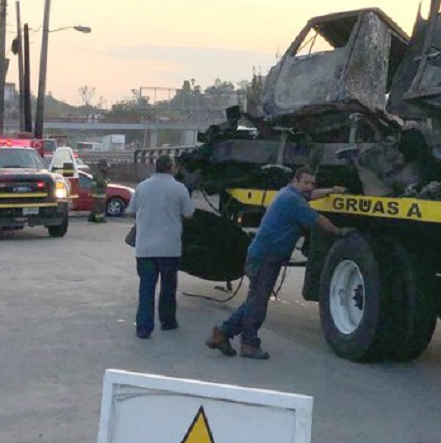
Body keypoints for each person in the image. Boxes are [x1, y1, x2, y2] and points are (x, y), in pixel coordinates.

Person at [206, 167, 349, 359]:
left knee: (254, 299)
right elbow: (318, 219)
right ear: (295, 181)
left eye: (312, 184)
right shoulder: (293, 201)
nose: (309, 187)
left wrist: (330, 190)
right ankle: (249, 344)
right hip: (266, 258)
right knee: (258, 303)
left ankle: (222, 333)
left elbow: (311, 195)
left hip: (263, 256)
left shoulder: (288, 193)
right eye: (305, 182)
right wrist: (339, 232)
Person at [126, 154, 195, 339]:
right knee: (168, 287)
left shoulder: (142, 187)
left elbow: (130, 212)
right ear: (171, 168)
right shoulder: (179, 188)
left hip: (145, 248)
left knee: (146, 288)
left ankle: (143, 327)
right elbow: (189, 214)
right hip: (169, 248)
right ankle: (167, 321)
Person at [88, 159, 110, 223]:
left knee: (96, 206)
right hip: (98, 193)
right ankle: (99, 219)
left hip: (98, 193)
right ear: (101, 166)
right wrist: (107, 181)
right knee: (100, 207)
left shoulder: (100, 172)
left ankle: (91, 218)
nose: (106, 168)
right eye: (105, 166)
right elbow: (101, 183)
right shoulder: (99, 173)